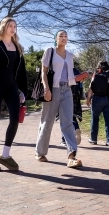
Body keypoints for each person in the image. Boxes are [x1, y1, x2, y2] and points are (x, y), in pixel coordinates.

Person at [0, 17, 28, 172]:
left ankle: (6, 155)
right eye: (10, 26)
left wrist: (22, 90)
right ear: (3, 27)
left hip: (11, 87)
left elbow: (21, 72)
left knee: (15, 119)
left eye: (14, 26)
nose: (13, 28)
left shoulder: (17, 47)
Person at [35, 30, 82, 168]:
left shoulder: (70, 56)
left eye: (66, 36)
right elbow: (43, 73)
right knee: (47, 122)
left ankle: (72, 156)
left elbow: (69, 77)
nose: (64, 38)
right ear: (56, 39)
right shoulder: (50, 52)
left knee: (68, 122)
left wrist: (80, 77)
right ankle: (40, 152)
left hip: (67, 89)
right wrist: (46, 89)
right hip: (52, 89)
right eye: (61, 36)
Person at [86, 61, 109, 147]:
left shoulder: (96, 75)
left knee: (95, 119)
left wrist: (88, 98)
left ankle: (93, 139)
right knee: (108, 120)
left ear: (99, 67)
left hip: (97, 99)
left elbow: (91, 87)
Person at [58, 68, 85, 146]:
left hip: (65, 95)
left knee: (64, 117)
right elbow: (80, 86)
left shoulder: (63, 70)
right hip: (75, 97)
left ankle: (64, 139)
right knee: (72, 116)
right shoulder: (77, 71)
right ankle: (76, 128)